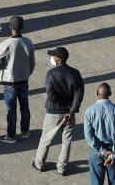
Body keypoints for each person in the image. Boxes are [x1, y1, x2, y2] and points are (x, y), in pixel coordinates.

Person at [32, 47, 84, 175]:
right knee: (66, 140)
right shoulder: (75, 73)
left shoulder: (51, 74)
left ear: (59, 60)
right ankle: (62, 167)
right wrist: (70, 111)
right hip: (69, 113)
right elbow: (79, 94)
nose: (52, 59)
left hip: (53, 112)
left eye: (54, 57)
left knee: (46, 138)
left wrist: (64, 107)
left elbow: (50, 95)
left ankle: (39, 163)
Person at [0, 15, 35, 143]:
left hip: (10, 81)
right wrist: (27, 73)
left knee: (11, 110)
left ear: (10, 27)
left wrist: (1, 67)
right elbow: (32, 63)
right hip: (23, 80)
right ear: (22, 27)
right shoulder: (28, 42)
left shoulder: (6, 43)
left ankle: (11, 135)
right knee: (25, 107)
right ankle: (25, 131)